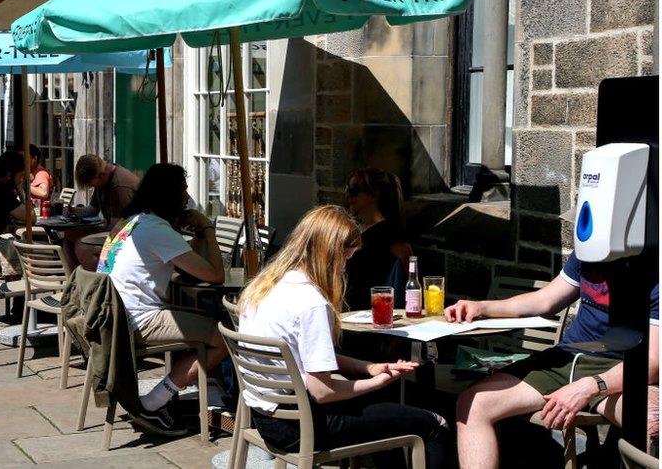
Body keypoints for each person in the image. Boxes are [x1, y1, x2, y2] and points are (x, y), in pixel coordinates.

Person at [238, 205, 450, 468]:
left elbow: (304, 356)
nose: (346, 266)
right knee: (434, 424)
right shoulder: (312, 303)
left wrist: (368, 368)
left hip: (267, 417)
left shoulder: (265, 286)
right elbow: (323, 392)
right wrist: (378, 382)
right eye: (347, 257)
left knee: (382, 410)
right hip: (301, 428)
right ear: (330, 254)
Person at [450, 252, 659, 469]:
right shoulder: (590, 248)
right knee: (473, 404)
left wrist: (592, 385)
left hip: (621, 367)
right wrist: (482, 307)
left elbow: (652, 362)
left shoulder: (654, 267)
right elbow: (545, 300)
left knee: (651, 421)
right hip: (570, 356)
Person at [99, 163, 227, 435]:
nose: (186, 197)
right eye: (183, 190)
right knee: (225, 337)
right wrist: (208, 228)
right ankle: (155, 402)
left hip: (111, 319)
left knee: (195, 323)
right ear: (169, 195)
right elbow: (215, 275)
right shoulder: (156, 230)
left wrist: (197, 235)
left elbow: (191, 268)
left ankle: (185, 389)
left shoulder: (130, 222)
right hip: (136, 321)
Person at [344, 168, 412, 310]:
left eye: (355, 190)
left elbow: (408, 270)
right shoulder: (350, 229)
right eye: (348, 189)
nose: (349, 195)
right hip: (349, 306)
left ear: (374, 195)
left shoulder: (389, 232)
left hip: (373, 310)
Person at [63, 154, 140, 270]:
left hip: (131, 235)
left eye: (90, 184)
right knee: (69, 235)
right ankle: (74, 280)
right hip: (117, 228)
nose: (91, 186)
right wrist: (73, 211)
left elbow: (118, 228)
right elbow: (92, 210)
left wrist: (90, 235)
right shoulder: (102, 181)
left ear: (101, 176)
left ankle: (99, 281)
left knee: (82, 246)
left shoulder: (119, 186)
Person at [19, 144, 52, 210]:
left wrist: (25, 185)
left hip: (40, 212)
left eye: (24, 157)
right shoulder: (29, 172)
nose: (21, 160)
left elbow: (44, 193)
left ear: (35, 158)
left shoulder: (41, 173)